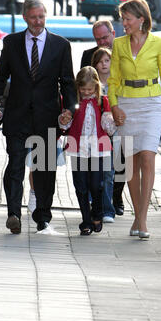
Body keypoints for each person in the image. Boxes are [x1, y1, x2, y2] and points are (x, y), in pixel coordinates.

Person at [0, 0, 76, 234]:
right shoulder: (12, 43)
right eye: (33, 17)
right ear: (25, 17)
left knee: (45, 169)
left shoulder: (60, 45)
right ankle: (14, 213)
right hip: (18, 115)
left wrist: (70, 108)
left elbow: (68, 82)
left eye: (41, 17)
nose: (38, 22)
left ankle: (42, 216)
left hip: (47, 117)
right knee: (16, 164)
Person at [108, 0, 161, 239]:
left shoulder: (159, 44)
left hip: (151, 103)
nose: (123, 23)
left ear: (141, 20)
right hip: (126, 104)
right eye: (122, 19)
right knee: (131, 167)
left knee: (148, 157)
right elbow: (113, 79)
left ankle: (142, 220)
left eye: (127, 19)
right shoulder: (118, 44)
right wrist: (114, 106)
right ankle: (138, 216)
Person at [59, 66, 116, 236]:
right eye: (82, 89)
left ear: (96, 87)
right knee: (81, 186)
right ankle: (86, 220)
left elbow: (109, 128)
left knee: (96, 184)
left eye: (89, 89)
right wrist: (63, 119)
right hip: (78, 149)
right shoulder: (72, 102)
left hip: (98, 149)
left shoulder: (102, 102)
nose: (86, 92)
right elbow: (65, 125)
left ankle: (97, 213)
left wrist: (111, 119)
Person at [81, 20, 125, 218]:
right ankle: (103, 203)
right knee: (104, 165)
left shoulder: (123, 51)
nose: (102, 42)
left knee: (122, 160)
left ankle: (116, 199)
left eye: (104, 37)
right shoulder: (89, 56)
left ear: (113, 33)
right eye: (97, 39)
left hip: (120, 116)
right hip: (96, 125)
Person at [91, 47, 116, 223]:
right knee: (93, 172)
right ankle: (94, 205)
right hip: (92, 133)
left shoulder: (117, 83)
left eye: (107, 60)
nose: (104, 64)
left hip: (111, 134)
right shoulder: (90, 84)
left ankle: (108, 210)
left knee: (108, 172)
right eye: (100, 61)